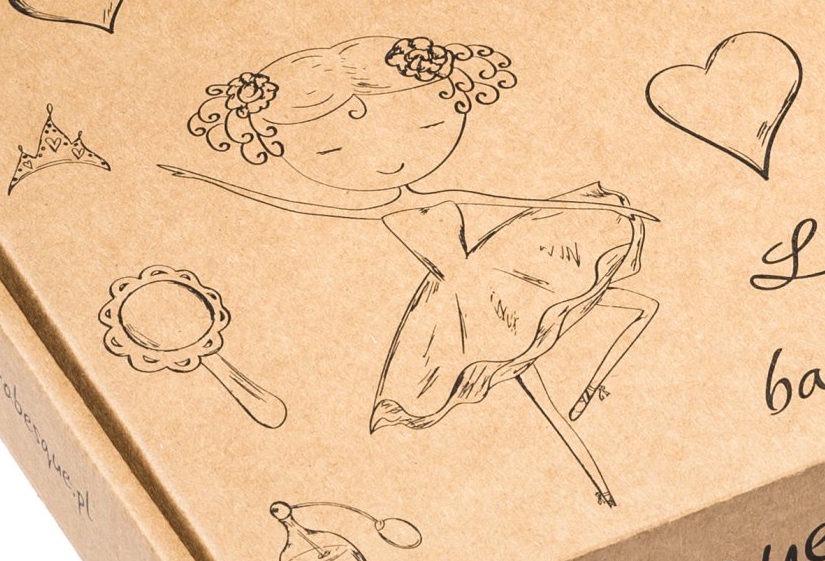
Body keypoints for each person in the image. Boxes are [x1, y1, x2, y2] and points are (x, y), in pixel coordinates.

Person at [169, 35, 655, 504]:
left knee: (612, 319)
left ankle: (595, 415)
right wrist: (210, 180)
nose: (389, 160)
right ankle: (599, 480)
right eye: (330, 152)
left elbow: (501, 200)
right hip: (459, 305)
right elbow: (300, 205)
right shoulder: (379, 206)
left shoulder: (432, 193)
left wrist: (609, 210)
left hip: (497, 271)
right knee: (535, 384)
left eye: (425, 127)